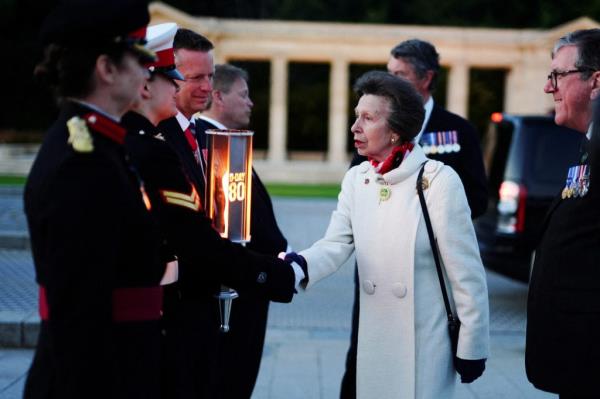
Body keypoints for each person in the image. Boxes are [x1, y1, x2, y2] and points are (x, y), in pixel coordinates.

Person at [121, 24, 300, 399]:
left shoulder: (204, 137)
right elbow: (193, 239)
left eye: (209, 76)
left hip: (205, 302)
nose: (202, 86)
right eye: (189, 78)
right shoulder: (151, 144)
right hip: (173, 310)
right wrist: (273, 274)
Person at [287, 70, 489, 399]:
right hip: (375, 340)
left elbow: (466, 273)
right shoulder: (357, 178)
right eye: (356, 117)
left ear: (394, 130)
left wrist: (472, 345)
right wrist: (295, 268)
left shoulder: (438, 181)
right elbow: (336, 244)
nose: (355, 127)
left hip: (424, 346)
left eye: (367, 118)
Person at [22, 1, 165, 398]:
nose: (146, 71)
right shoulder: (82, 163)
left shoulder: (99, 147)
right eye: (138, 58)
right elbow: (79, 313)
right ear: (106, 69)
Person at [341, 38, 488, 398]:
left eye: (400, 75)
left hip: (426, 271)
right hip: (378, 275)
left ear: (426, 78)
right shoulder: (369, 133)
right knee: (362, 370)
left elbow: (477, 200)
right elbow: (355, 197)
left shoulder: (458, 130)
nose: (391, 81)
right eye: (388, 73)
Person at [197, 64, 290, 398]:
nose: (251, 102)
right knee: (229, 382)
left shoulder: (220, 142)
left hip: (244, 285)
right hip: (236, 294)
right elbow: (229, 227)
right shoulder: (215, 145)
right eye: (244, 94)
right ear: (218, 97)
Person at [525, 28, 600, 398]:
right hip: (577, 362)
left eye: (557, 75)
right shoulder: (589, 143)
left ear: (596, 80)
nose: (548, 87)